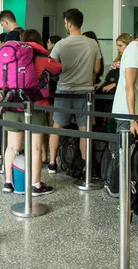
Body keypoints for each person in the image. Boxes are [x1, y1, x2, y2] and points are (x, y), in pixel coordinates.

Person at [2, 29, 61, 195]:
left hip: (13, 103)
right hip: (36, 106)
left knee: (12, 146)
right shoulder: (42, 57)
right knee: (35, 147)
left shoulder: (14, 55)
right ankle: (35, 184)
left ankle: (8, 182)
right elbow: (57, 68)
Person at [47, 9, 102, 173]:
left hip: (63, 91)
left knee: (57, 127)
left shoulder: (61, 44)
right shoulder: (92, 43)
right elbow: (97, 68)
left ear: (69, 24)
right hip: (85, 93)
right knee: (84, 130)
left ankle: (52, 164)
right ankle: (85, 166)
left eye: (65, 23)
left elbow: (52, 66)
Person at [95, 33, 134, 113]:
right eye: (117, 45)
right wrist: (104, 82)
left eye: (120, 45)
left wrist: (115, 84)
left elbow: (128, 78)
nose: (117, 48)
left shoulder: (130, 61)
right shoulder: (119, 59)